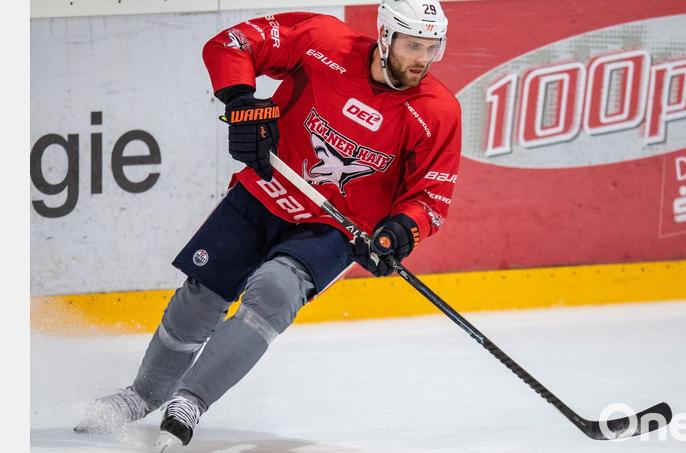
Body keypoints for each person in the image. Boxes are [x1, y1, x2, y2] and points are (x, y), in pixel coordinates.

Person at [74, 0, 461, 449]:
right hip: (265, 190)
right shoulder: (323, 40)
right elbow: (233, 43)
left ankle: (191, 401)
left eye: (432, 48)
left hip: (337, 227)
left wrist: (398, 231)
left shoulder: (436, 111)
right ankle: (143, 394)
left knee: (274, 292)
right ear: (386, 35)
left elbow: (430, 199)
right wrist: (240, 100)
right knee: (201, 298)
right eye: (413, 45)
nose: (422, 59)